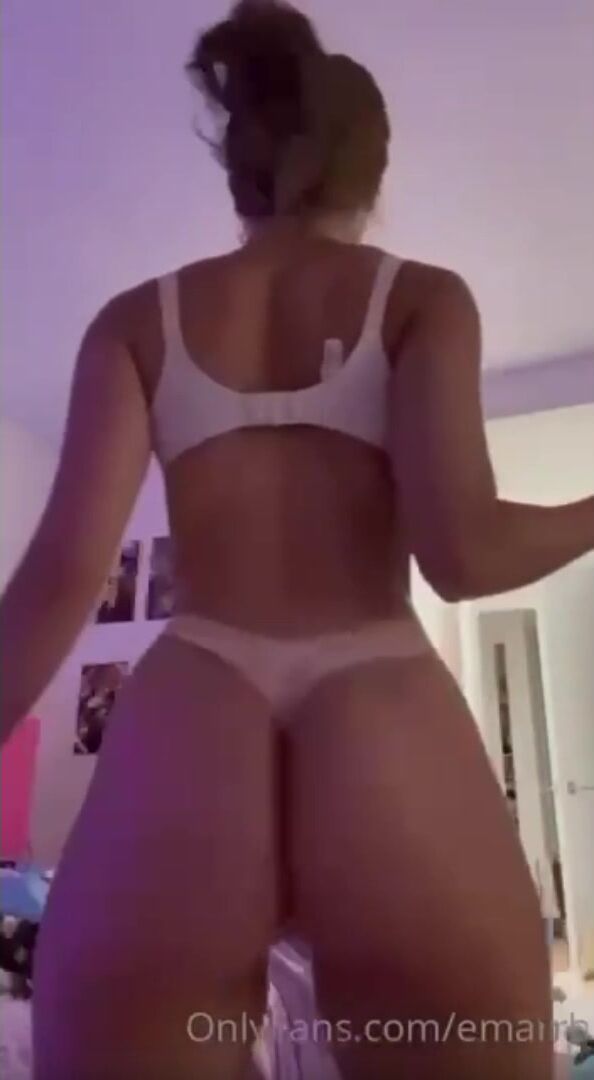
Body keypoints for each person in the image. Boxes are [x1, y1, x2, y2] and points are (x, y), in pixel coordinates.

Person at [0, 2, 592, 1077]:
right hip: (380, 695)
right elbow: (466, 555)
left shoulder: (136, 321)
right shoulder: (420, 300)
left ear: (242, 174)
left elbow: (59, 580)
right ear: (370, 178)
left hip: (194, 705)